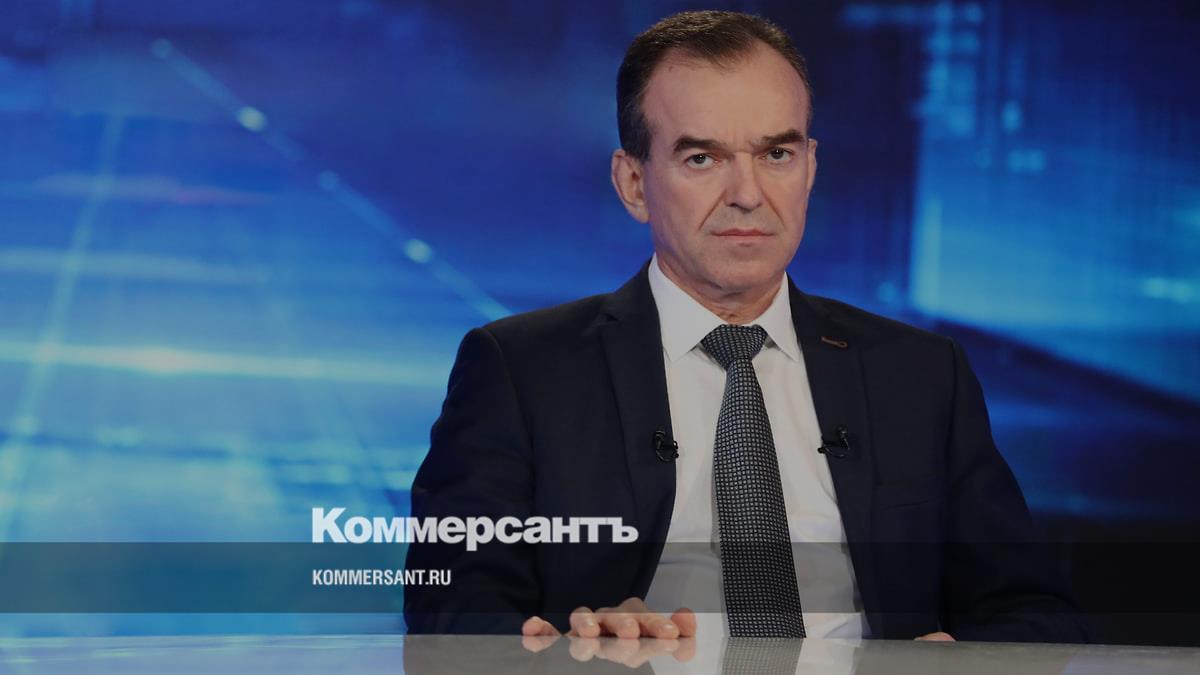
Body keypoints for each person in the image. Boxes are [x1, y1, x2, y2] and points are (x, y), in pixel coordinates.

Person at [403, 10, 1087, 644]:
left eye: (776, 155)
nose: (748, 194)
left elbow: (1029, 610)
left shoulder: (920, 372)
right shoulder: (521, 369)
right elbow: (451, 603)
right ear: (634, 183)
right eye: (702, 158)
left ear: (810, 168)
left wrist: (964, 659)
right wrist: (570, 644)